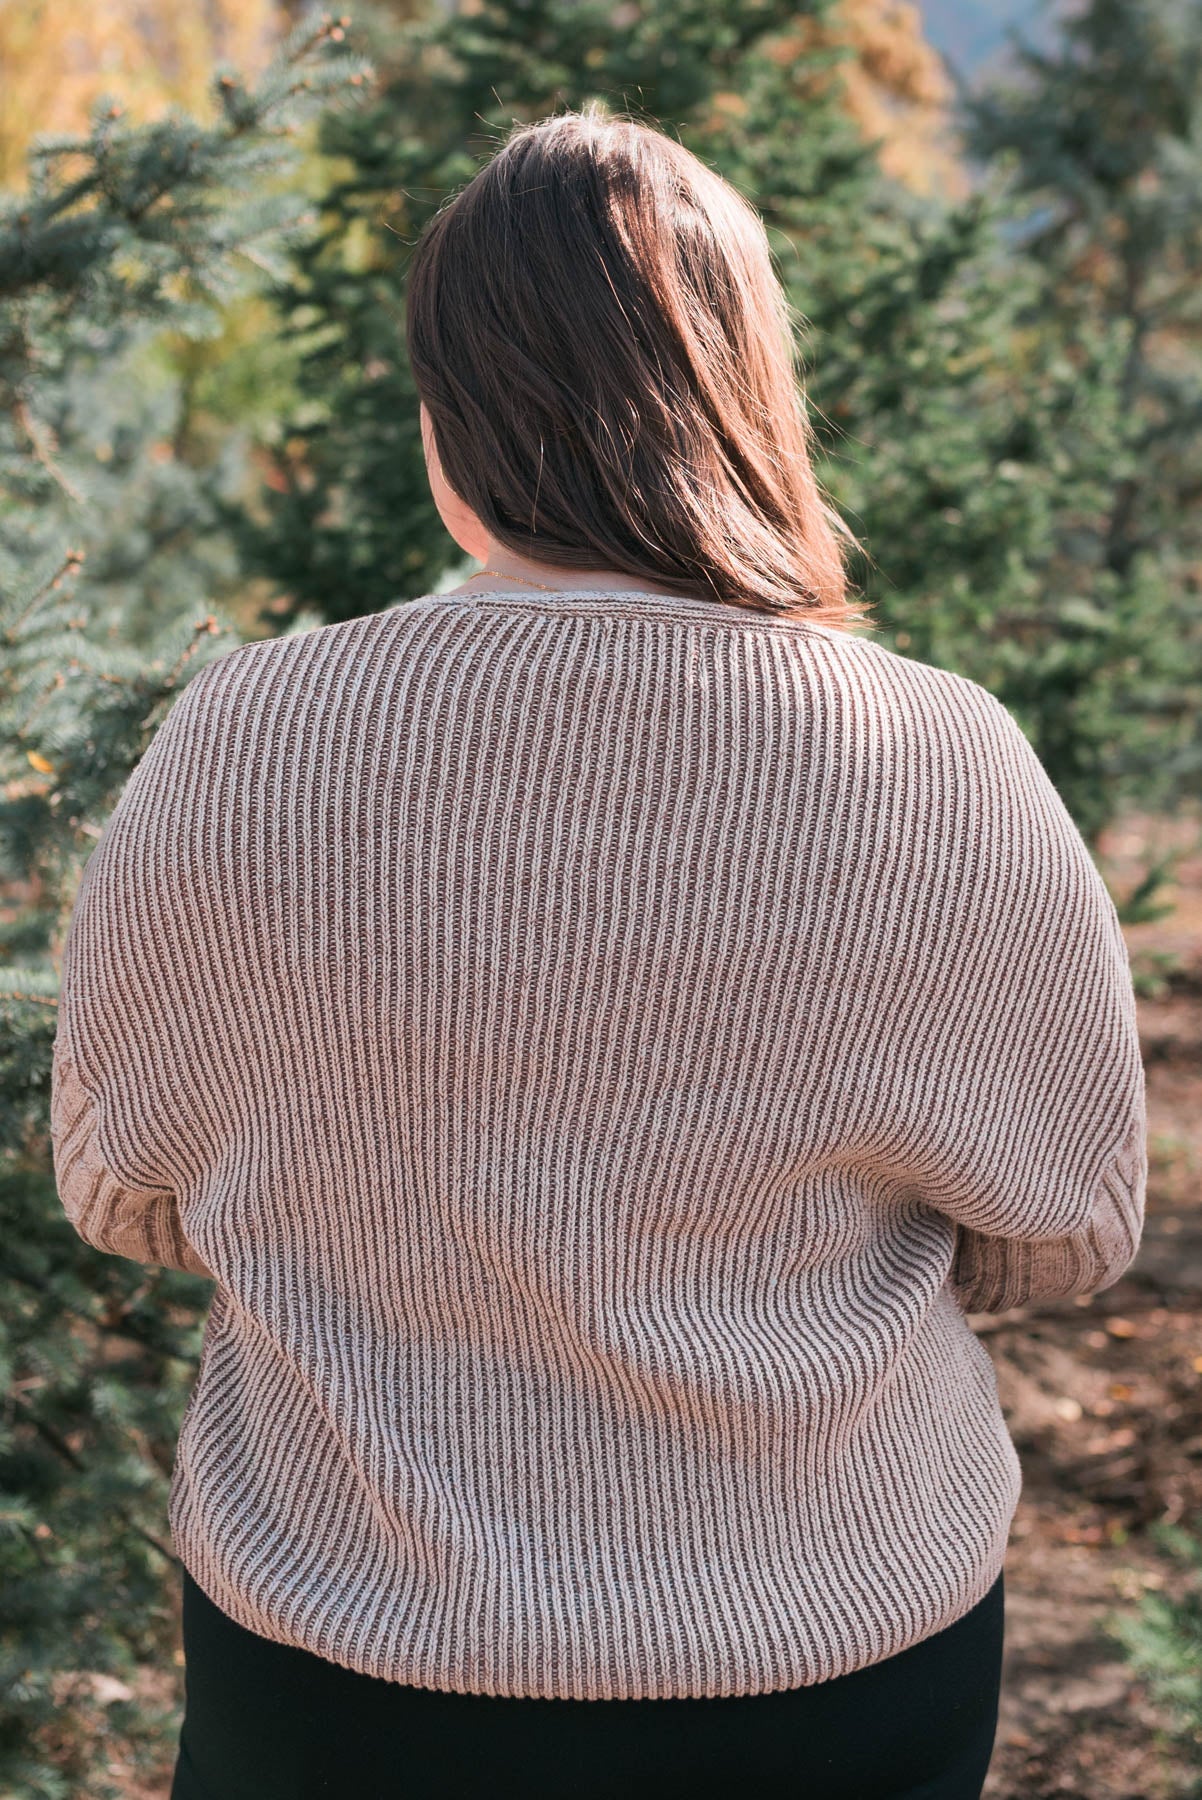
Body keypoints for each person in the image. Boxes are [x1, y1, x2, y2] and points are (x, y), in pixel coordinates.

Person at [50, 104, 1146, 1800]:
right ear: (749, 400)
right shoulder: (938, 756)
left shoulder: (243, 740)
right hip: (829, 1658)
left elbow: (126, 1190)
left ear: (447, 420)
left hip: (350, 1666)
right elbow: (1066, 1223)